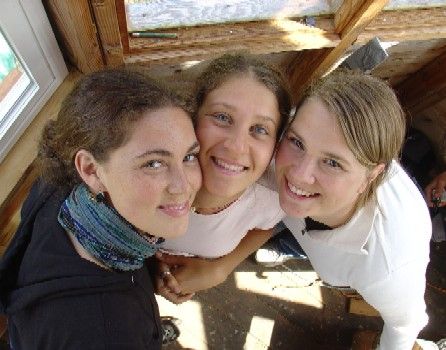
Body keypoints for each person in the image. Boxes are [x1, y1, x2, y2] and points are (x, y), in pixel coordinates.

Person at [0, 68, 202, 349]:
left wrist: (144, 265)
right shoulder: (108, 335)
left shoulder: (59, 188)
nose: (184, 185)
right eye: (154, 163)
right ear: (91, 169)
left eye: (190, 156)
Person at [275, 70, 432, 349]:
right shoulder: (284, 138)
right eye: (297, 142)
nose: (298, 175)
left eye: (332, 163)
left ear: (370, 177)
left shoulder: (388, 267)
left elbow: (405, 327)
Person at [155, 53, 291, 301]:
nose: (236, 146)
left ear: (274, 146)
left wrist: (222, 268)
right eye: (222, 117)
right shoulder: (150, 171)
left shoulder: (270, 198)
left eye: (260, 129)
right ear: (193, 114)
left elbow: (265, 226)